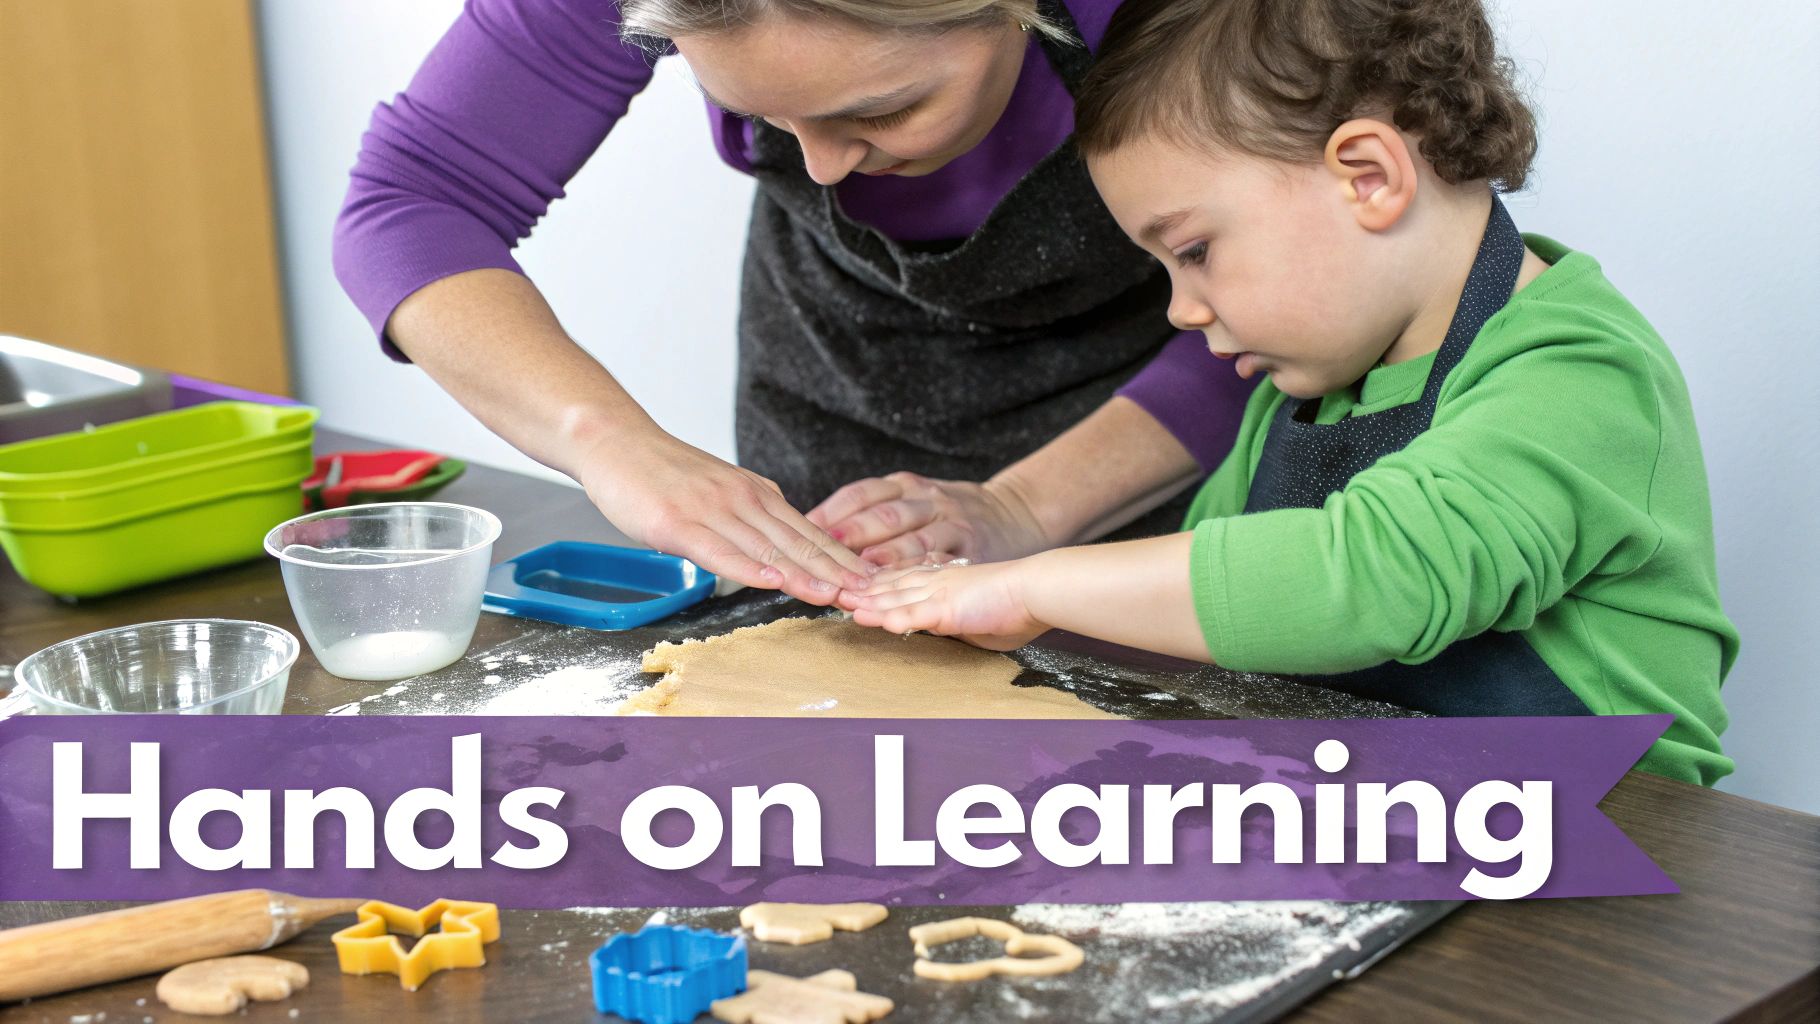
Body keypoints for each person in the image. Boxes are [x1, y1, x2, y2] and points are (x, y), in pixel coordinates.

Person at [845, 0, 1736, 785]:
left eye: (1193, 252)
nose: (1182, 310)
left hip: (1596, 864)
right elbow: (1200, 627)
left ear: (1369, 177)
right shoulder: (1306, 396)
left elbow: (1382, 575)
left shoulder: (1578, 372)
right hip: (1391, 824)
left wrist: (1031, 588)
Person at [332, 0, 1254, 607]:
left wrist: (1026, 507)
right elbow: (412, 203)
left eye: (882, 114)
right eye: (770, 117)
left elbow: (1314, 298)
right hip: (835, 372)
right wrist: (609, 441)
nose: (817, 167)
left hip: (1195, 405)